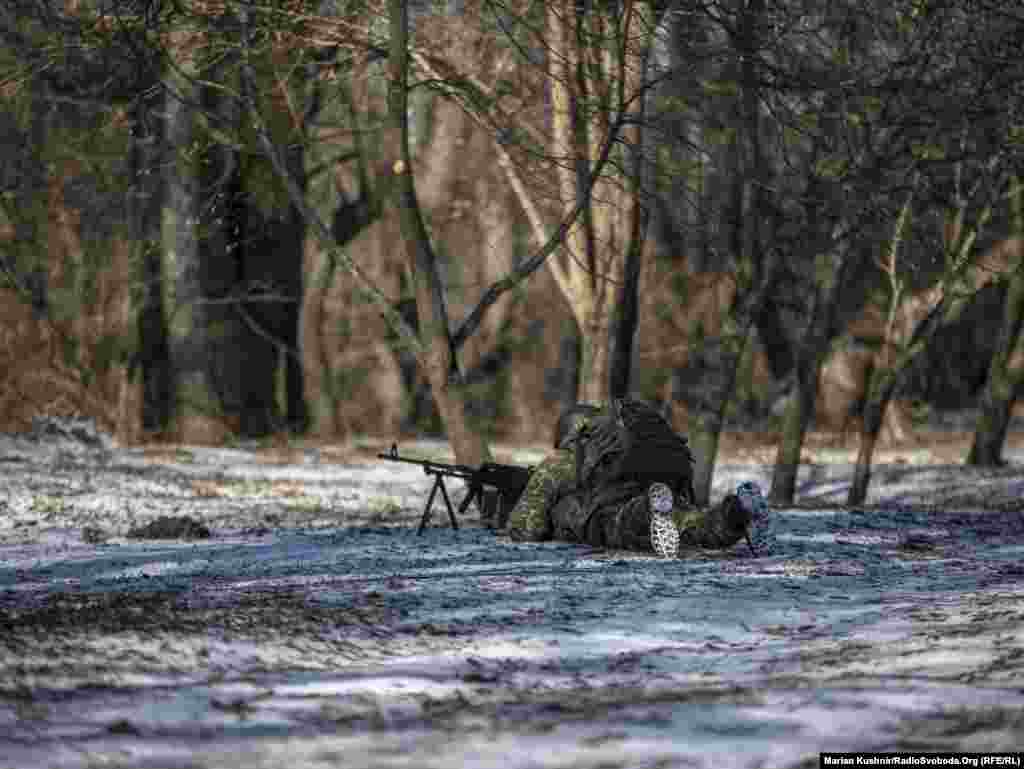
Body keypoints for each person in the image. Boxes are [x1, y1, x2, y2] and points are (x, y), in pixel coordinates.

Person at [507, 398, 775, 558]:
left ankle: (649, 510)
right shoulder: (625, 447)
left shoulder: (565, 458)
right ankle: (733, 516)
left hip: (612, 510)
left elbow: (527, 527)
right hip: (657, 485)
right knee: (689, 522)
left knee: (625, 521)